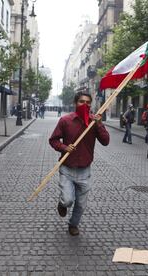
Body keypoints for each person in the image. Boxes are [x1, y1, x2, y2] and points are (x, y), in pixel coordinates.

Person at [49, 92, 110, 236]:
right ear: (75, 103)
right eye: (81, 101)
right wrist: (64, 147)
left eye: (88, 102)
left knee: (81, 204)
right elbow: (53, 140)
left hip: (84, 170)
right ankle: (62, 203)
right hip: (67, 168)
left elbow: (106, 141)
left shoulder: (94, 122)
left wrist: (99, 124)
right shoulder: (65, 120)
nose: (85, 104)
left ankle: (73, 225)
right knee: (68, 199)